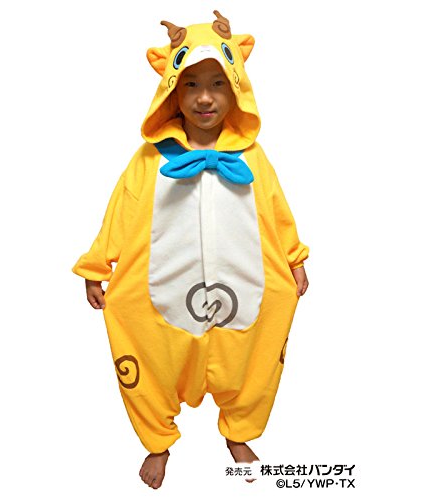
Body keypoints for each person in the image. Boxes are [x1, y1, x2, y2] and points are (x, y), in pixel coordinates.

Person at [72, 10, 309, 489]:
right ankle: (157, 440)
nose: (204, 97)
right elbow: (121, 211)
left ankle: (239, 431)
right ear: (172, 91)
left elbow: (276, 210)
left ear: (236, 89)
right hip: (165, 285)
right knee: (150, 351)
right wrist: (97, 266)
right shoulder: (150, 159)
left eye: (218, 84)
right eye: (192, 84)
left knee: (252, 352)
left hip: (242, 282)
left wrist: (294, 257)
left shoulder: (252, 158)